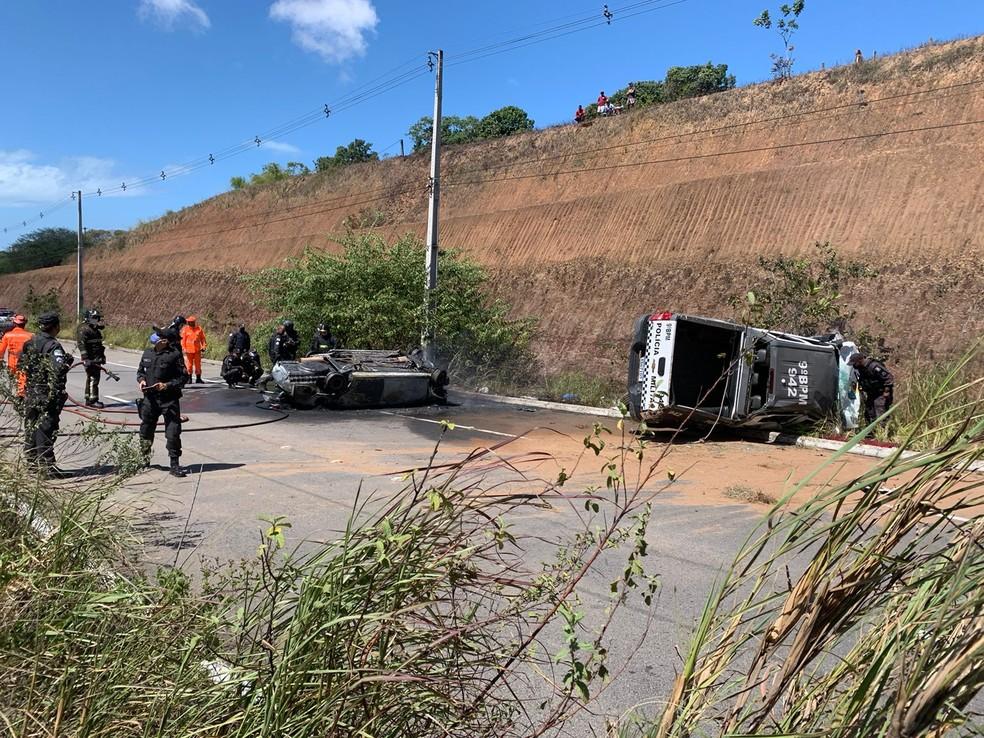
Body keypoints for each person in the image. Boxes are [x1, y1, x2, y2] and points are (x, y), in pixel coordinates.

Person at [20, 312, 73, 476]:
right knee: (46, 428)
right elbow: (57, 370)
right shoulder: (53, 345)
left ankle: (32, 464)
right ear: (55, 327)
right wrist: (65, 363)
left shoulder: (30, 342)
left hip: (31, 391)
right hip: (45, 393)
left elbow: (23, 365)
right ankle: (47, 468)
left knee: (31, 426)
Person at [137, 328, 188, 477]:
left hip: (169, 400)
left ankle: (174, 464)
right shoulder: (147, 353)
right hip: (150, 400)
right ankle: (144, 460)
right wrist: (141, 381)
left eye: (159, 336)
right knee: (146, 431)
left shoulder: (174, 356)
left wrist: (167, 385)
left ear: (165, 341)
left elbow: (183, 378)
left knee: (173, 433)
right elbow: (140, 372)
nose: (155, 337)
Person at [255, 320, 300, 394]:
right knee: (278, 371)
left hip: (289, 355)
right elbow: (276, 347)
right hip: (281, 357)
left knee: (286, 372)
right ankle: (263, 381)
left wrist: (293, 343)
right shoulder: (280, 334)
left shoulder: (293, 333)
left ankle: (282, 386)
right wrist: (277, 357)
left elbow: (298, 341)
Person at [849, 353, 894, 424]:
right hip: (872, 393)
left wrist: (886, 392)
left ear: (860, 360)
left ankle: (883, 432)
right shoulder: (861, 368)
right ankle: (871, 433)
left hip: (881, 393)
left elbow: (888, 378)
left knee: (880, 413)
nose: (854, 365)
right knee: (869, 414)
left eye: (855, 363)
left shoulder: (873, 366)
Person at [76, 308, 107, 408]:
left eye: (97, 318)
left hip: (97, 357)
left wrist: (102, 357)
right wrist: (85, 358)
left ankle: (88, 398)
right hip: (90, 358)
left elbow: (98, 344)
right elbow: (81, 344)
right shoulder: (83, 329)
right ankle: (93, 400)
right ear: (88, 318)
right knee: (93, 378)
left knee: (92, 378)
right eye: (94, 318)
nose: (97, 320)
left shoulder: (94, 329)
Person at [0, 313, 33, 397]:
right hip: (24, 364)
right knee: (22, 382)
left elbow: (1, 351)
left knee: (17, 382)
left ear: (14, 324)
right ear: (24, 324)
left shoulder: (7, 335)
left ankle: (20, 398)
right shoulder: (31, 336)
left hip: (12, 364)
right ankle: (21, 398)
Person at [180, 315, 207, 384]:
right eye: (188, 322)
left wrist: (204, 346)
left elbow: (203, 339)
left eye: (191, 322)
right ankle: (189, 378)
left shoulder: (199, 329)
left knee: (198, 365)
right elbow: (183, 340)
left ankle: (198, 378)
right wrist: (183, 348)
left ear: (194, 322)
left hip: (197, 350)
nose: (189, 323)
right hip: (188, 351)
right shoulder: (185, 330)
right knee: (189, 365)